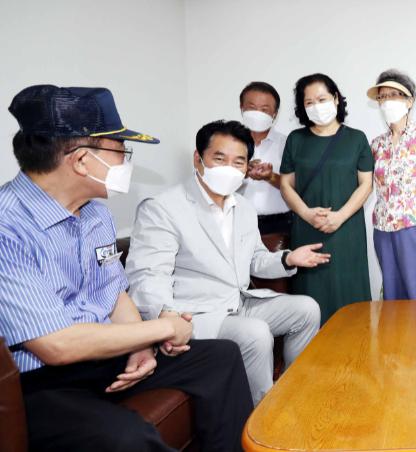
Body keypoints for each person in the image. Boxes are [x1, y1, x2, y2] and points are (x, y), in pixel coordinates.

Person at [0, 85, 253, 452]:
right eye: (121, 151)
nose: (126, 163)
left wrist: (142, 345)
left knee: (221, 357)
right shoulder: (8, 226)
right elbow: (56, 345)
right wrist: (164, 327)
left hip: (105, 352)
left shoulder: (96, 214)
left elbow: (114, 291)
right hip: (43, 380)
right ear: (82, 160)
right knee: (127, 437)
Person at [126, 120, 327, 405]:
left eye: (238, 162)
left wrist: (288, 258)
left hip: (238, 302)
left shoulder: (243, 207)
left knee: (306, 309)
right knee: (255, 333)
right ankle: (262, 414)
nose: (229, 169)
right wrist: (166, 318)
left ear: (246, 168)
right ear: (198, 159)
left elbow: (255, 259)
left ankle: (294, 393)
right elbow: (148, 274)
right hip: (196, 314)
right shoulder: (162, 208)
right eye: (219, 159)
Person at [279, 73, 373, 324]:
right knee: (311, 297)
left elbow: (366, 184)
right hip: (307, 228)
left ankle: (355, 344)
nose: (316, 106)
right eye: (309, 102)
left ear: (336, 99)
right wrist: (307, 214)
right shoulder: (296, 140)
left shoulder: (356, 138)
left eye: (321, 99)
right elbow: (286, 184)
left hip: (347, 230)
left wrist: (340, 216)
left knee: (349, 295)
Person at [367, 69, 416, 300]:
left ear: (409, 101)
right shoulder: (376, 144)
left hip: (415, 225)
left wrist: (409, 201)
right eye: (382, 97)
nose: (387, 101)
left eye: (394, 95)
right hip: (383, 228)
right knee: (392, 295)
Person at [239, 82, 292, 235]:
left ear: (275, 114)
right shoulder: (229, 145)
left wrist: (270, 177)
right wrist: (241, 171)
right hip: (238, 222)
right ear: (241, 108)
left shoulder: (287, 144)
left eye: (264, 110)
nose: (257, 113)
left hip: (279, 225)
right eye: (251, 107)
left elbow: (297, 186)